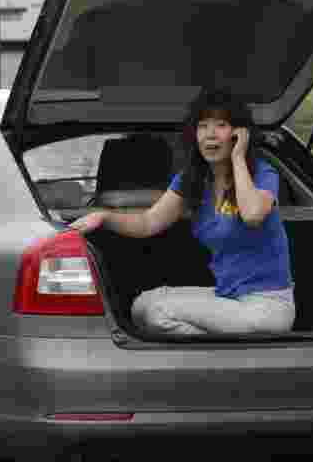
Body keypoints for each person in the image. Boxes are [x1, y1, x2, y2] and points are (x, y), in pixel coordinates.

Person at [69, 87, 295, 336]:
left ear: (239, 134)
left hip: (267, 306)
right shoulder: (193, 181)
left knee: (160, 313)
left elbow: (253, 215)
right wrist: (103, 217)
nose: (210, 135)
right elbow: (147, 223)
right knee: (144, 304)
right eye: (202, 126)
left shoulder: (262, 174)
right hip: (229, 298)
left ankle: (216, 359)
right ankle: (223, 351)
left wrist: (239, 157)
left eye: (220, 125)